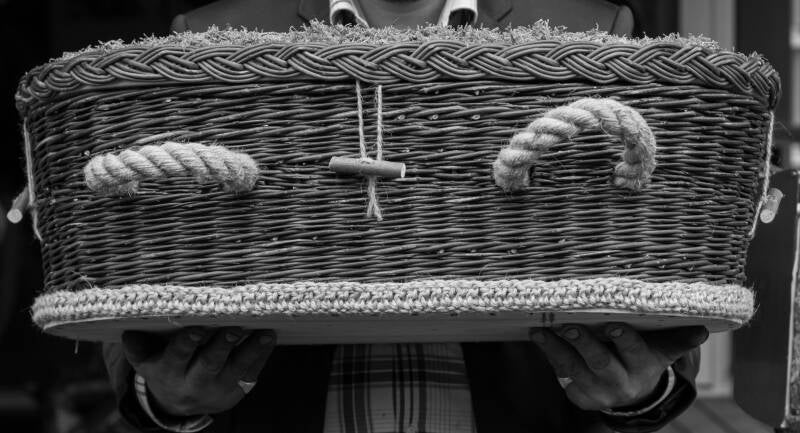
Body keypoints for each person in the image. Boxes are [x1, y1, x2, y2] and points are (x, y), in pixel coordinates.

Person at [104, 1, 708, 432]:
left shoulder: (591, 27)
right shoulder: (213, 31)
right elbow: (149, 248)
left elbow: (645, 241)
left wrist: (639, 392)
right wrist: (167, 397)